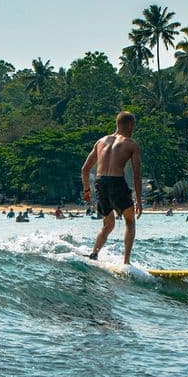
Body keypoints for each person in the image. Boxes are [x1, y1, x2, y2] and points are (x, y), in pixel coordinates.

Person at [81, 111, 142, 265]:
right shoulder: (131, 144)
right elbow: (136, 175)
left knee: (108, 224)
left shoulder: (100, 142)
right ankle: (126, 263)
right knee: (130, 221)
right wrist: (139, 201)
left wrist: (87, 190)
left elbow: (85, 169)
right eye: (133, 126)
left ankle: (94, 253)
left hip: (100, 183)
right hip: (116, 182)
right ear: (130, 125)